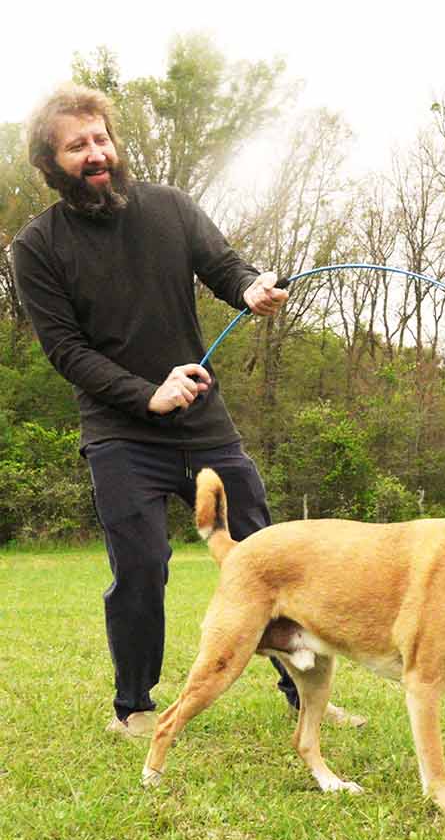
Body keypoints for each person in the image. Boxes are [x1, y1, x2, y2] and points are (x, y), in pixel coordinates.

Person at [11, 83, 364, 738]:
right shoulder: (36, 248)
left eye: (101, 139)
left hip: (206, 429)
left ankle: (305, 695)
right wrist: (146, 393)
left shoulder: (168, 207)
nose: (96, 154)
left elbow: (226, 267)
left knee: (271, 557)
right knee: (142, 565)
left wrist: (251, 287)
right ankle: (136, 708)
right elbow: (65, 350)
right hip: (121, 435)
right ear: (49, 163)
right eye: (76, 146)